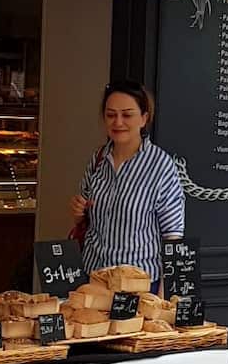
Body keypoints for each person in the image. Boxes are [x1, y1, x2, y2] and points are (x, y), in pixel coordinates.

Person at [70, 80, 185, 288]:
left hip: (138, 284)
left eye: (127, 114)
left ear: (144, 118)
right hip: (94, 277)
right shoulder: (98, 159)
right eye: (111, 115)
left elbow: (173, 235)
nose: (118, 122)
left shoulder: (160, 165)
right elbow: (85, 219)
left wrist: (163, 292)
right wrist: (79, 212)